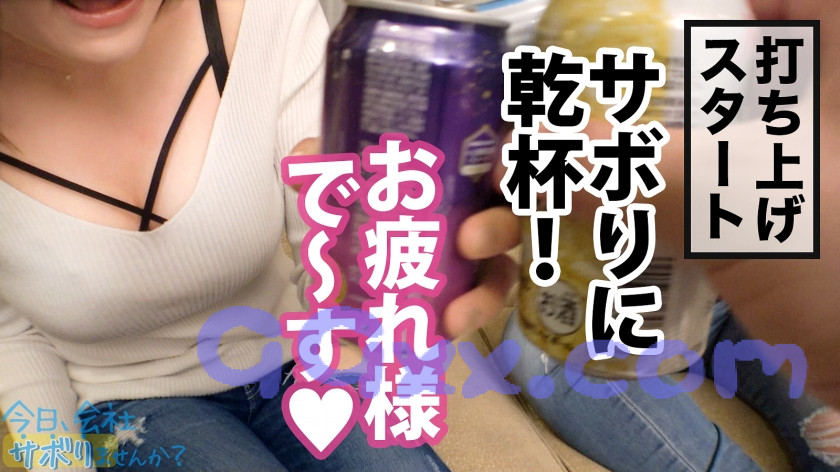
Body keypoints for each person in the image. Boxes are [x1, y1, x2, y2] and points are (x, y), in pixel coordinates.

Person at [0, 0, 512, 470]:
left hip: (296, 355)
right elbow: (12, 337)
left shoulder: (269, 14)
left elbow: (332, 258)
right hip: (126, 403)